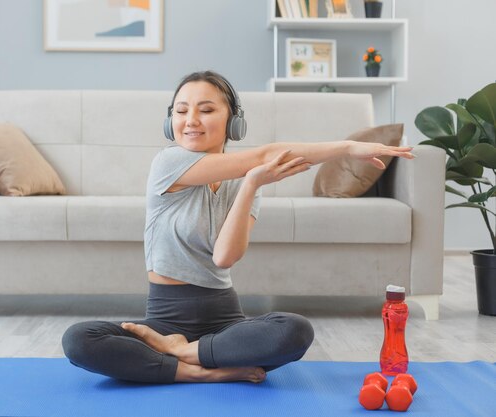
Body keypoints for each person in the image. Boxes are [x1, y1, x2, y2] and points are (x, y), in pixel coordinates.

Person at [62, 70, 414, 384]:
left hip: (225, 320)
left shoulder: (247, 179)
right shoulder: (168, 162)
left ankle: (184, 354)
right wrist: (348, 147)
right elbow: (268, 154)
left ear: (233, 121)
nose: (190, 120)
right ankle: (193, 371)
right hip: (164, 320)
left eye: (206, 109)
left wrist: (250, 186)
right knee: (79, 340)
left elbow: (225, 257)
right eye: (181, 110)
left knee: (294, 331)